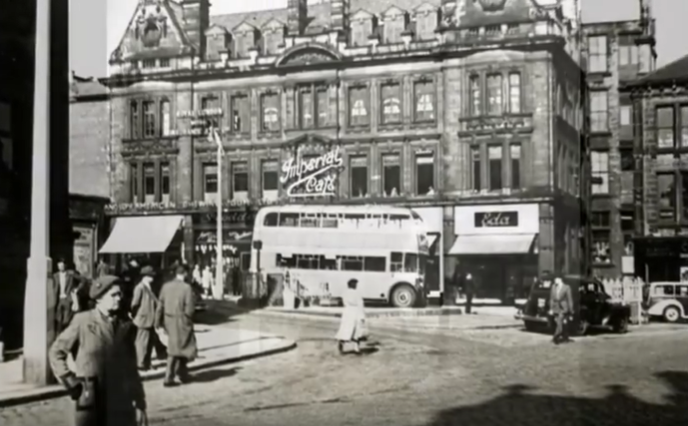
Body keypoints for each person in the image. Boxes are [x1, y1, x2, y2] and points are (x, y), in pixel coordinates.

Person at [48, 275, 147, 426]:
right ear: (99, 298)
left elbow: (131, 368)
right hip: (91, 399)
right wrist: (71, 382)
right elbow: (56, 352)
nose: (119, 298)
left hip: (121, 401)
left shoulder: (126, 325)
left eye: (120, 294)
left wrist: (140, 402)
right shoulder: (83, 321)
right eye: (113, 295)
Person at [155, 264, 197, 387]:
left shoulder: (166, 286)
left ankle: (183, 374)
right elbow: (190, 307)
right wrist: (188, 319)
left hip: (168, 320)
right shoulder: (187, 288)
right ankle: (169, 377)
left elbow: (160, 305)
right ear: (185, 274)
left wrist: (157, 321)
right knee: (179, 348)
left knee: (176, 346)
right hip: (182, 320)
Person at [131, 266, 163, 371]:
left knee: (149, 343)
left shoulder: (149, 287)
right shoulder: (140, 288)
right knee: (141, 343)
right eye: (150, 276)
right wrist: (135, 315)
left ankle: (147, 362)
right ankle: (140, 364)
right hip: (143, 320)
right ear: (145, 276)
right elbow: (135, 303)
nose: (152, 277)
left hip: (150, 319)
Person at [335, 279, 368, 355]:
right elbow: (360, 305)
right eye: (355, 284)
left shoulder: (344, 293)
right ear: (353, 285)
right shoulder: (357, 293)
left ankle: (341, 344)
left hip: (347, 312)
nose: (356, 286)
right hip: (355, 312)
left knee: (345, 328)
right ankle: (356, 348)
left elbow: (344, 302)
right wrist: (362, 316)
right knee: (357, 330)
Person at [52, 258, 80, 332]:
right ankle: (58, 336)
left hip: (67, 299)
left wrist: (77, 289)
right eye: (59, 265)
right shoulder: (55, 276)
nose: (61, 267)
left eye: (62, 265)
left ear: (65, 266)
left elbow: (83, 280)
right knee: (58, 320)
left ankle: (66, 334)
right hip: (58, 300)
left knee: (66, 320)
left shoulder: (71, 274)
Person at [549, 275, 574, 345]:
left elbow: (569, 299)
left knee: (560, 322)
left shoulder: (567, 287)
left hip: (563, 308)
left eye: (556, 279)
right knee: (559, 323)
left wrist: (571, 311)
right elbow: (551, 299)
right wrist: (551, 309)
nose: (554, 280)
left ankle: (555, 337)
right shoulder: (553, 287)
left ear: (560, 279)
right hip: (555, 308)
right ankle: (565, 337)